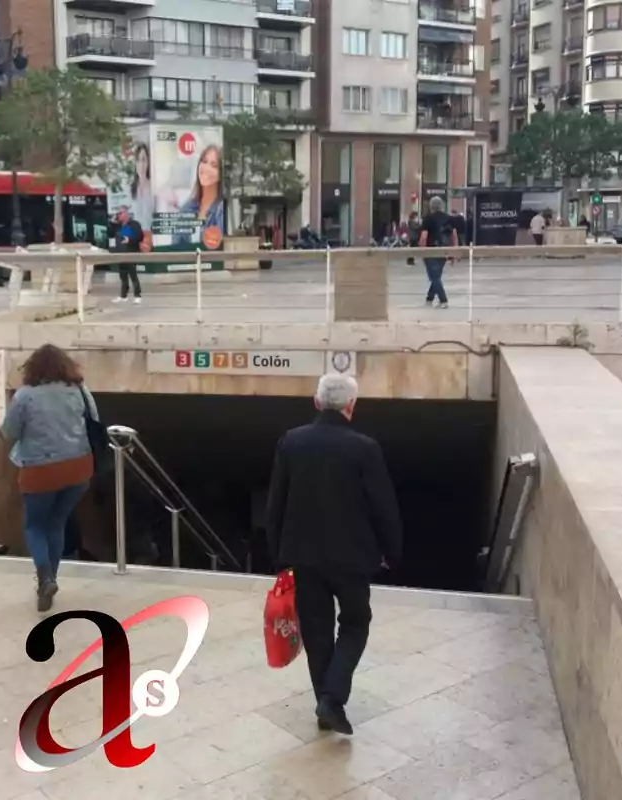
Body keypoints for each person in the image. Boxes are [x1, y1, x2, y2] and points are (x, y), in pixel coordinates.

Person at [266, 374, 402, 735]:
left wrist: (277, 554)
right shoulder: (365, 448)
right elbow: (382, 506)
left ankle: (324, 703)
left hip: (303, 556)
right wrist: (391, 551)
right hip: (353, 559)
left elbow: (276, 502)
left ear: (316, 403)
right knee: (356, 623)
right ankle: (333, 699)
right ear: (351, 406)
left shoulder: (291, 442)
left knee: (317, 631)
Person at [1, 345, 99, 612]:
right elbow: (94, 421)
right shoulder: (79, 389)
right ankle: (50, 580)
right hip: (79, 468)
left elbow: (9, 431)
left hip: (40, 469)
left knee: (35, 526)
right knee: (57, 522)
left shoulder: (25, 396)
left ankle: (45, 578)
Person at [178, 144, 225, 243]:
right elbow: (176, 248)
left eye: (214, 165)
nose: (206, 168)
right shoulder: (186, 209)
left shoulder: (222, 211)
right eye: (204, 161)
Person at [419, 196, 456, 308]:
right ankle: (429, 299)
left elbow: (424, 237)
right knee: (436, 276)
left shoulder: (428, 219)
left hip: (431, 251)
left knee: (434, 277)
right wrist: (454, 251)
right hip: (444, 251)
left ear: (431, 206)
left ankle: (443, 300)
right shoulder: (449, 218)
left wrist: (422, 251)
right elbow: (453, 235)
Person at [111, 207, 144, 303]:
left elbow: (140, 236)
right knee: (123, 275)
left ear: (126, 214)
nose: (118, 215)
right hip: (120, 253)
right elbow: (110, 233)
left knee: (133, 275)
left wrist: (130, 240)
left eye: (120, 213)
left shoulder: (134, 224)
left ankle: (137, 295)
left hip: (131, 252)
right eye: (118, 214)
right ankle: (123, 295)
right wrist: (112, 222)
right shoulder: (118, 226)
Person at [130, 143, 154, 231]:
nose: (141, 164)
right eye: (138, 160)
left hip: (152, 237)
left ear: (148, 162)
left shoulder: (153, 186)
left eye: (144, 159)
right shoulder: (132, 188)